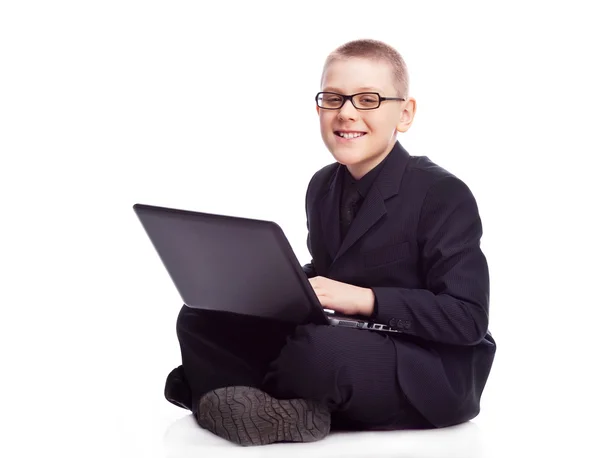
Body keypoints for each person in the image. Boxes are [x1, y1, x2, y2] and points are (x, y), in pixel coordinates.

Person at [164, 38, 496, 446]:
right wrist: (268, 287)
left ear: (404, 113)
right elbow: (327, 276)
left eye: (368, 99)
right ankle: (250, 403)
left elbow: (467, 319)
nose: (347, 113)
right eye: (333, 99)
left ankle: (221, 390)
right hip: (343, 331)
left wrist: (367, 299)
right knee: (202, 314)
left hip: (421, 362)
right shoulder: (322, 186)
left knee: (321, 352)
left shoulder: (442, 195)